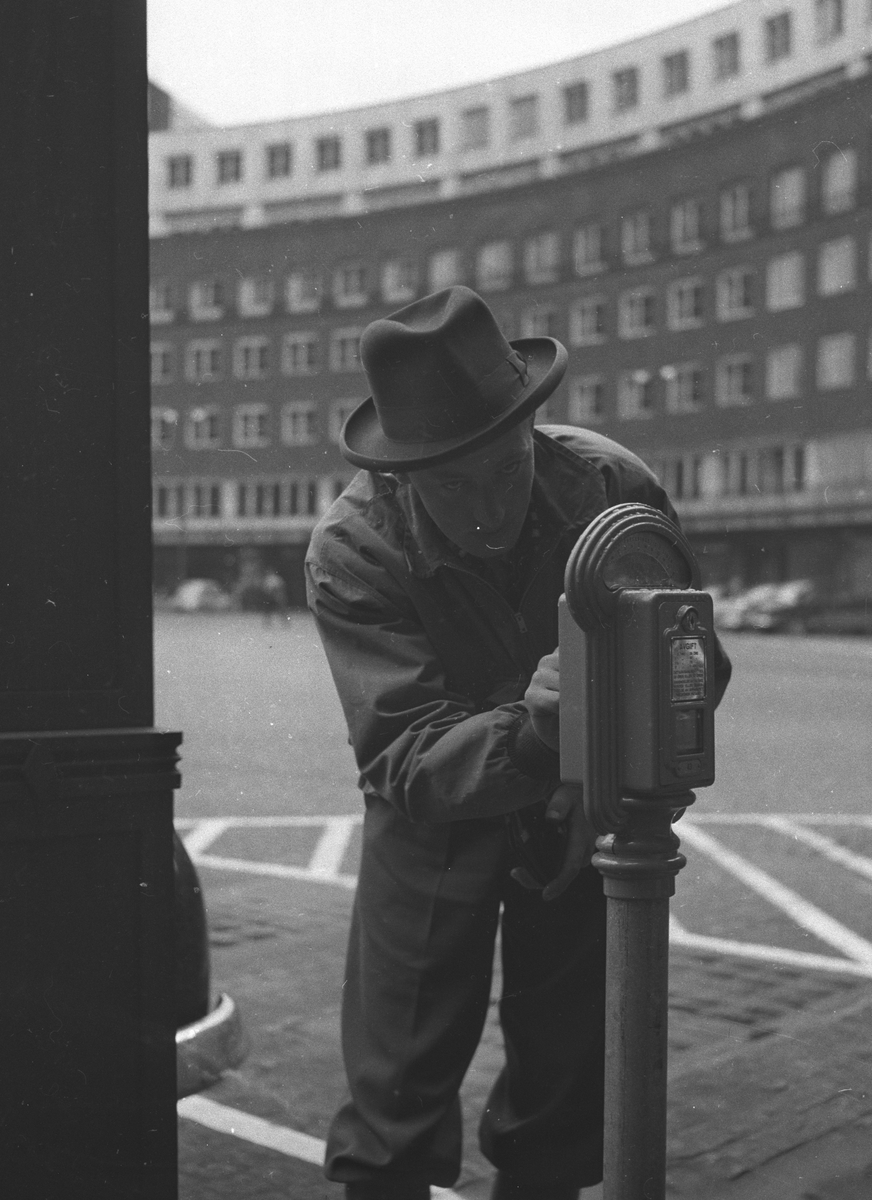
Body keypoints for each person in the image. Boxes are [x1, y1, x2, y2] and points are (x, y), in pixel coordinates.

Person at [306, 286, 731, 1200]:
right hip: (434, 824)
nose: (489, 506)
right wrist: (540, 727)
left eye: (504, 468)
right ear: (400, 473)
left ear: (532, 430)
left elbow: (693, 663)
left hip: (583, 800)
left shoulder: (611, 488)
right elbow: (405, 756)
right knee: (395, 1091)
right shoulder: (356, 545)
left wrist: (602, 769)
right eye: (452, 486)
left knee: (567, 1084)